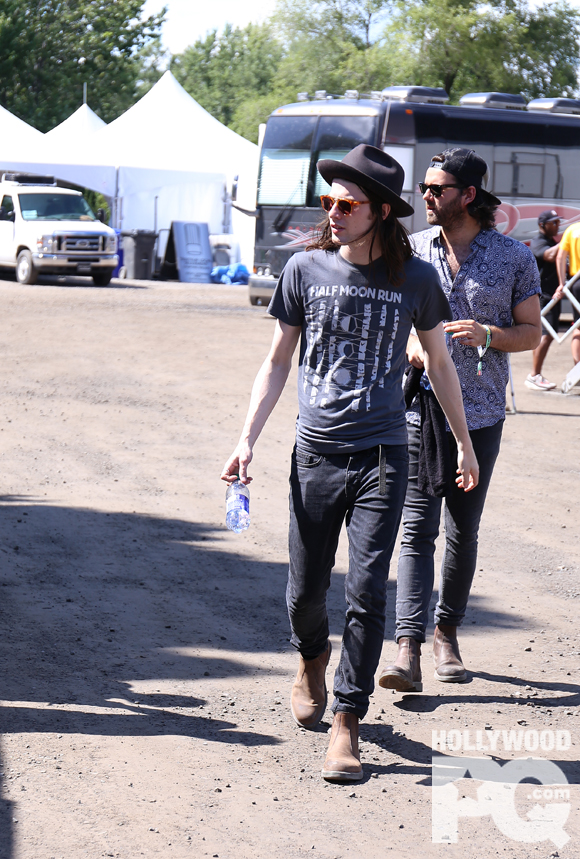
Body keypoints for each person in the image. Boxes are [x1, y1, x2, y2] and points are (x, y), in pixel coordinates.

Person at [221, 144, 478, 783]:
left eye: (347, 203)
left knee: (366, 590)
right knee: (305, 591)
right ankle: (310, 656)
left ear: (381, 212)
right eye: (328, 202)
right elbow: (278, 361)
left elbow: (440, 363)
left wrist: (465, 443)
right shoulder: (304, 269)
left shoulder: (416, 280)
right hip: (314, 451)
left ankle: (347, 720)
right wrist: (246, 438)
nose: (332, 212)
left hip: (385, 453)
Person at [379, 147, 541, 694]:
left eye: (436, 189)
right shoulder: (408, 249)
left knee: (462, 531)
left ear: (468, 196)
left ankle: (446, 631)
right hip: (418, 408)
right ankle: (406, 648)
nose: (425, 197)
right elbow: (387, 314)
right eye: (424, 188)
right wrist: (408, 342)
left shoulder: (514, 257)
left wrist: (488, 334)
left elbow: (532, 334)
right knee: (415, 529)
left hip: (481, 415)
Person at [525, 210, 561, 390]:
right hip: (544, 295)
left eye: (558, 222)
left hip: (553, 294)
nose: (557, 225)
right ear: (542, 225)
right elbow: (548, 255)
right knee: (545, 335)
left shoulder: (551, 241)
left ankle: (536, 374)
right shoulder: (539, 242)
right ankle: (534, 375)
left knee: (549, 333)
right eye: (553, 222)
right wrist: (567, 241)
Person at [556, 219, 580, 367]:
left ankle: (577, 367)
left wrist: (562, 283)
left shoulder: (572, 229)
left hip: (576, 283)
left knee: (578, 326)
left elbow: (560, 257)